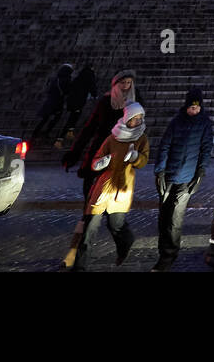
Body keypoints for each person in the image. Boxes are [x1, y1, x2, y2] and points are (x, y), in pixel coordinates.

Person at [69, 101, 149, 270]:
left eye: (141, 118)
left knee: (116, 225)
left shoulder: (141, 138)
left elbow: (143, 161)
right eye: (135, 118)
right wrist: (100, 162)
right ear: (127, 118)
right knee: (89, 230)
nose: (138, 121)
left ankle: (126, 242)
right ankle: (79, 267)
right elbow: (96, 159)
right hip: (103, 187)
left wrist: (135, 156)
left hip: (122, 188)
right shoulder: (112, 137)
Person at [150, 87, 211, 272]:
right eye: (191, 107)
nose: (194, 110)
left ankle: (169, 254)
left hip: (187, 178)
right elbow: (165, 145)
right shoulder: (176, 122)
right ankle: (164, 250)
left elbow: (206, 149)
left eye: (197, 107)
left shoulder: (205, 124)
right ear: (186, 107)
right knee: (164, 216)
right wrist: (159, 171)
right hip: (169, 176)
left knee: (175, 218)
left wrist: (200, 171)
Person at [63, 70, 139, 201]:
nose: (126, 86)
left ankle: (114, 217)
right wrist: (75, 152)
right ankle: (88, 212)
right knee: (91, 178)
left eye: (129, 83)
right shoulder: (105, 102)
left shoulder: (136, 104)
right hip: (102, 144)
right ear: (115, 84)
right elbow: (90, 127)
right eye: (122, 83)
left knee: (117, 182)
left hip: (122, 146)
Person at [32, 63, 73, 139]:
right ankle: (46, 132)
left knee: (45, 118)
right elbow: (67, 91)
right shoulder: (67, 80)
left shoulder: (55, 78)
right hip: (58, 102)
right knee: (56, 118)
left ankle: (36, 132)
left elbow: (49, 89)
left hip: (49, 101)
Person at [58, 64, 97, 143]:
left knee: (73, 116)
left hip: (73, 100)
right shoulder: (89, 77)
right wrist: (94, 95)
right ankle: (62, 136)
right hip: (79, 101)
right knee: (73, 118)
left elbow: (70, 88)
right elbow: (92, 87)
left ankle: (68, 133)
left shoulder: (78, 78)